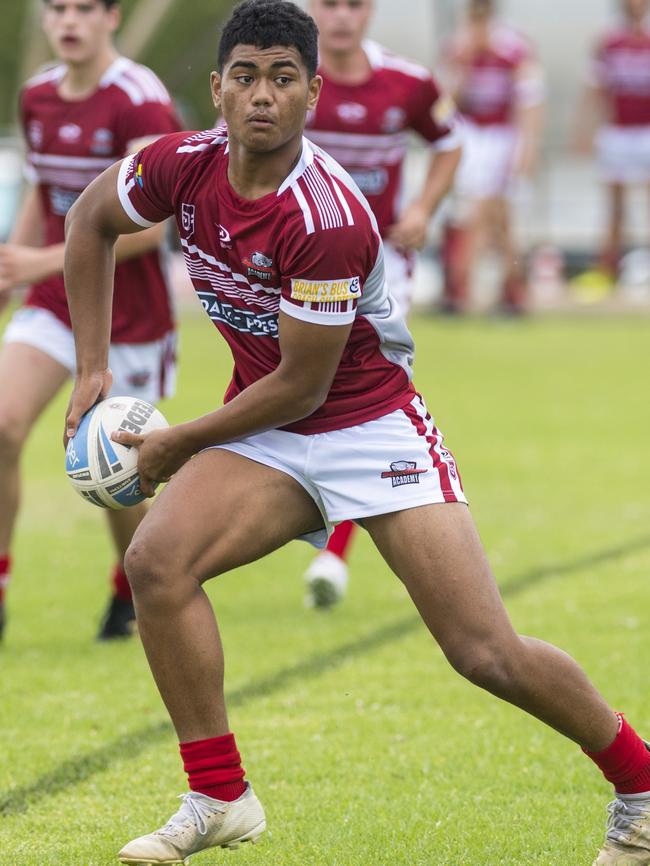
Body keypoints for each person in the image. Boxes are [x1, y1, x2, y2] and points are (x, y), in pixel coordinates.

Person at [63, 2, 650, 863]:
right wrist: (90, 369)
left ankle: (640, 786)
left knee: (484, 652)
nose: (263, 94)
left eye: (283, 77)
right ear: (216, 89)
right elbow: (89, 223)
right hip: (267, 425)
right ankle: (219, 794)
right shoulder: (179, 166)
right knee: (157, 562)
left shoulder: (328, 216)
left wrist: (178, 440)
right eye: (247, 76)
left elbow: (304, 386)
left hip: (370, 429)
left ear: (312, 94)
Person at [0, 0, 180, 641]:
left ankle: (127, 589)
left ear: (110, 16)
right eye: (57, 8)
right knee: (2, 424)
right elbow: (42, 195)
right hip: (53, 304)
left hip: (129, 320)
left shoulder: (139, 100)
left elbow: (149, 228)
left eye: (84, 8)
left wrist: (38, 261)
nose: (68, 20)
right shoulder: (38, 95)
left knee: (120, 475)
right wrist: (14, 270)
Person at [301, 0, 462, 608]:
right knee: (306, 391)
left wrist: (421, 210)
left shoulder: (409, 83)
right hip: (307, 263)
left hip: (382, 266)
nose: (341, 16)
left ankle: (334, 552)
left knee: (363, 396)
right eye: (328, 4)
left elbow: (450, 143)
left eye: (353, 4)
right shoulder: (292, 79)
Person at [441, 0, 544, 314]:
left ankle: (503, 290)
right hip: (473, 138)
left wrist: (526, 151)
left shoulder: (514, 49)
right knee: (476, 213)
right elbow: (445, 105)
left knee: (500, 217)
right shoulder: (459, 48)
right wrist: (463, 66)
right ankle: (466, 288)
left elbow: (530, 103)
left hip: (503, 138)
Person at [576, 0, 650, 285]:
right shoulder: (609, 42)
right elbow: (595, 88)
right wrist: (585, 130)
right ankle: (608, 269)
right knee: (614, 207)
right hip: (617, 131)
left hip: (646, 130)